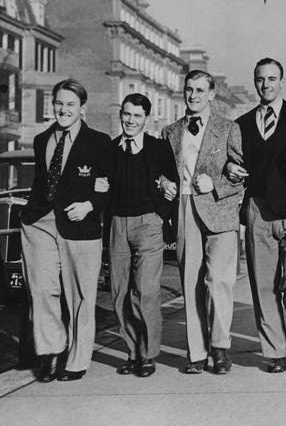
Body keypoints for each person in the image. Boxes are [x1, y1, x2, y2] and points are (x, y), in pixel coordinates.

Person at [226, 58, 286, 373]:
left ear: (282, 81)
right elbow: (232, 160)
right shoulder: (241, 124)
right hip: (258, 210)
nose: (266, 84)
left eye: (272, 78)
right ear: (255, 82)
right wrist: (231, 168)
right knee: (263, 285)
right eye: (260, 79)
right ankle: (275, 350)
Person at [21, 79, 113, 382]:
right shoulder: (41, 140)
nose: (63, 109)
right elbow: (41, 181)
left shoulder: (99, 142)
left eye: (70, 104)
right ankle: (50, 351)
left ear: (82, 108)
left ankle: (76, 358)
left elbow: (111, 188)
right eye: (59, 103)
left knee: (82, 296)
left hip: (80, 227)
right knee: (42, 290)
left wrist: (90, 204)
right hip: (40, 224)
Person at [161, 70, 243, 374]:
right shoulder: (169, 132)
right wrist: (162, 182)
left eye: (200, 90)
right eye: (189, 90)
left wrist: (218, 184)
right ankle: (196, 351)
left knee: (218, 281)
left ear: (211, 95)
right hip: (184, 210)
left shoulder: (228, 128)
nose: (193, 95)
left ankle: (220, 348)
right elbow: (163, 170)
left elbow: (242, 176)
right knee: (190, 282)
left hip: (220, 211)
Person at [96, 93, 178, 377]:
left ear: (146, 119)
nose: (130, 120)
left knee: (145, 291)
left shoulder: (158, 148)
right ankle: (132, 352)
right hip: (117, 224)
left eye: (137, 116)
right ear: (121, 114)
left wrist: (161, 214)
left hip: (148, 224)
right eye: (127, 114)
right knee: (120, 292)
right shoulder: (110, 148)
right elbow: (103, 185)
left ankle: (148, 354)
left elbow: (173, 183)